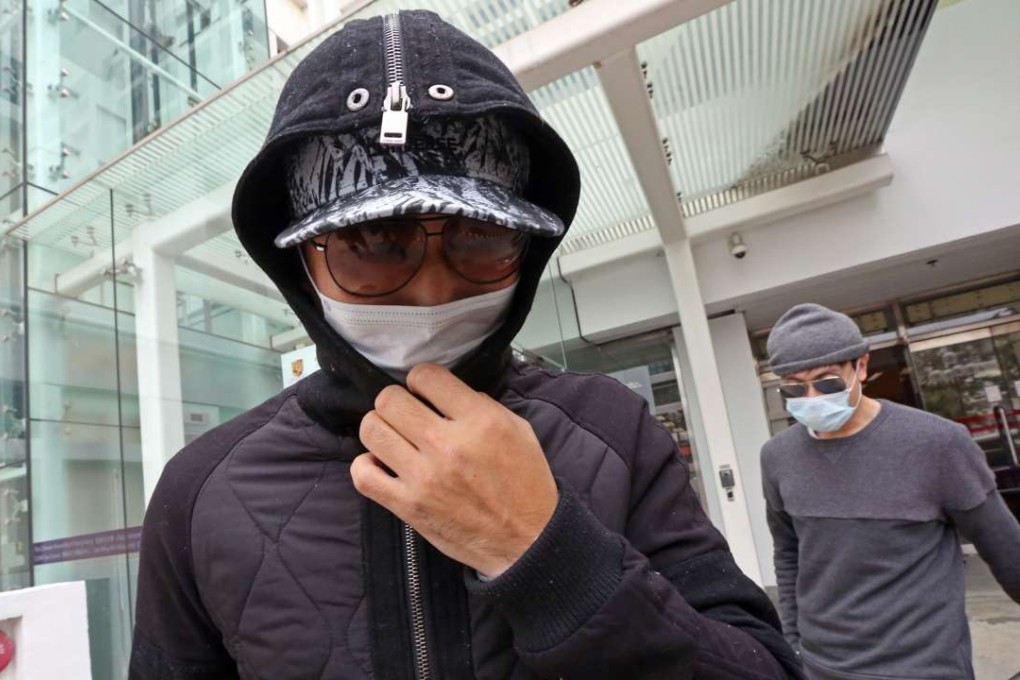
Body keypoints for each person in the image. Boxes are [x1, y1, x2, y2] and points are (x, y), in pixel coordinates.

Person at [129, 10, 802, 680]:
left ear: (526, 250)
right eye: (371, 246)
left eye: (480, 238)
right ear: (299, 259)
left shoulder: (613, 432)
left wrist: (546, 554)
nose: (430, 294)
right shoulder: (199, 492)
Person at [761, 303, 1020, 680]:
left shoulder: (938, 443)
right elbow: (789, 553)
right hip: (821, 666)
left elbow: (1004, 547)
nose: (813, 396)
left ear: (861, 367)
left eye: (828, 381)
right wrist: (793, 641)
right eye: (795, 387)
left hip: (925, 667)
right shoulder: (777, 456)